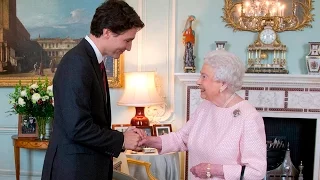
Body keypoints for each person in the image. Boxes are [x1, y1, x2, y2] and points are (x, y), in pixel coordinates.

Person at [41, 1, 145, 180]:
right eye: (127, 40)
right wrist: (121, 140)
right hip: (73, 172)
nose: (129, 47)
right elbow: (78, 127)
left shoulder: (91, 61)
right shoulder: (77, 63)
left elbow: (91, 120)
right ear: (107, 32)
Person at [139, 50, 267, 179]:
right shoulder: (206, 107)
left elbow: (256, 171)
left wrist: (214, 170)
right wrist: (148, 141)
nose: (198, 81)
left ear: (223, 84)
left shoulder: (248, 117)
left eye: (204, 76)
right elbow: (182, 138)